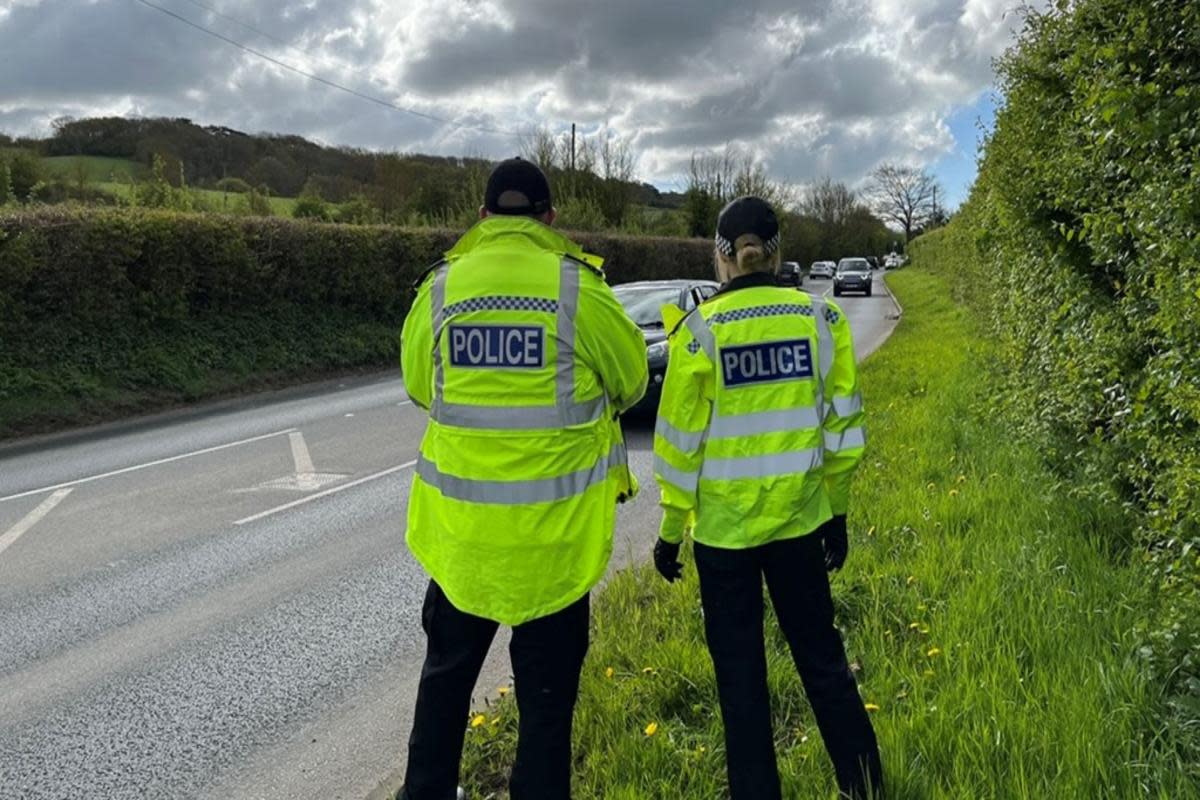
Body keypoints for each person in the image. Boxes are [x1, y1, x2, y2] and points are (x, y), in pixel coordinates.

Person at [398, 157, 648, 800]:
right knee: (545, 709)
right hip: (554, 548)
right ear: (549, 219)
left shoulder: (442, 289)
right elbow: (632, 381)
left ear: (482, 218)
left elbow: (420, 387)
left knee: (444, 687)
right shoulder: (577, 289)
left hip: (463, 545)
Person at [651, 196, 883, 799]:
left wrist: (671, 530)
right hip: (801, 528)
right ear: (776, 251)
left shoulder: (697, 332)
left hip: (724, 541)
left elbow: (679, 449)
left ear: (721, 258)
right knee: (823, 662)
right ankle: (864, 788)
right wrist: (837, 512)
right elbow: (843, 430)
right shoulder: (820, 319)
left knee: (741, 680)